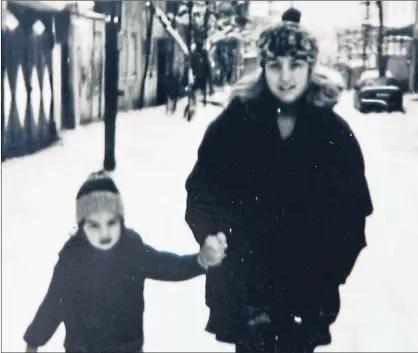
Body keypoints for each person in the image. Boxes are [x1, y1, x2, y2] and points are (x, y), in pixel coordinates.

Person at [185, 7, 373, 353]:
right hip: (245, 290)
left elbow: (353, 214)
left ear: (310, 67)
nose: (285, 77)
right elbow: (202, 192)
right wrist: (208, 234)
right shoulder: (234, 124)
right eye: (275, 65)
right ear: (263, 67)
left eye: (295, 65)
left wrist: (329, 274)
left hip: (306, 293)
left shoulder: (333, 133)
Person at [23, 171, 227, 353]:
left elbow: (169, 266)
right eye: (94, 225)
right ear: (81, 227)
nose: (104, 233)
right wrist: (34, 342)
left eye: (111, 223)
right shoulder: (72, 260)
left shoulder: (132, 250)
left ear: (121, 220)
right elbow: (53, 304)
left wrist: (201, 261)